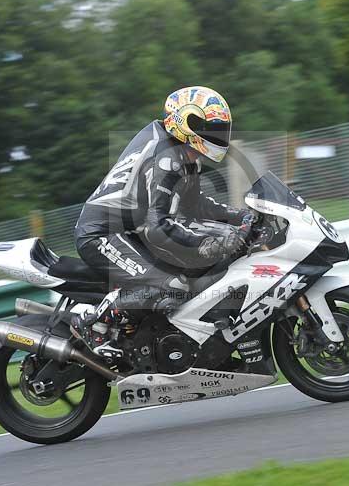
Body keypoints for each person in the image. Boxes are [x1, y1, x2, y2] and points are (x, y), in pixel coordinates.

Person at [73, 86, 254, 352]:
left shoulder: (182, 151)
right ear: (186, 123)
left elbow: (196, 206)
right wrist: (208, 244)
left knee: (195, 265)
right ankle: (95, 323)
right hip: (101, 235)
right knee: (171, 285)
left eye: (221, 130)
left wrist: (244, 215)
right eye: (212, 130)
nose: (218, 137)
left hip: (129, 231)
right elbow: (159, 228)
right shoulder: (165, 158)